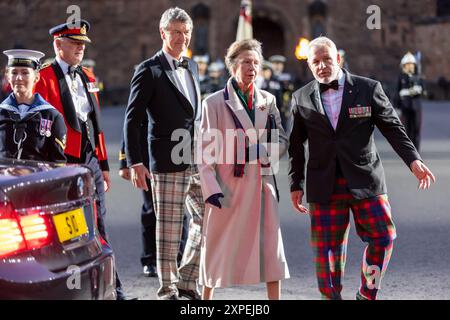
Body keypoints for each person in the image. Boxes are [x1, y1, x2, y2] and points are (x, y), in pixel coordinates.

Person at [288, 36, 435, 300]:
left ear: (339, 59)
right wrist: (295, 183)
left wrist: (414, 160)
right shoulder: (301, 97)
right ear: (309, 65)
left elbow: (393, 127)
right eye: (315, 62)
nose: (322, 66)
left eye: (327, 60)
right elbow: (295, 146)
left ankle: (367, 293)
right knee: (327, 251)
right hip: (324, 184)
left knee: (384, 237)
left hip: (366, 178)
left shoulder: (368, 88)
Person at [34, 19, 132, 300]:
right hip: (62, 162)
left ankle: (114, 290)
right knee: (64, 228)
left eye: (82, 44)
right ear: (57, 44)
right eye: (74, 43)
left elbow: (95, 126)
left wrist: (103, 165)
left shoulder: (88, 77)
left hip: (89, 161)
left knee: (99, 223)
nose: (80, 48)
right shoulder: (44, 78)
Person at [198, 39, 290, 300]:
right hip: (226, 186)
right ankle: (206, 300)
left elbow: (281, 139)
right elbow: (204, 152)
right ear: (233, 66)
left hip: (261, 184)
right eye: (246, 62)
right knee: (216, 245)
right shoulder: (213, 103)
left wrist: (263, 151)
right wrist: (210, 188)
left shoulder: (268, 100)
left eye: (256, 62)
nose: (252, 67)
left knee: (271, 249)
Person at [124, 7, 204, 300]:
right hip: (165, 160)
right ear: (163, 33)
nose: (182, 38)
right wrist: (135, 161)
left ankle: (186, 278)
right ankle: (167, 288)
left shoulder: (193, 66)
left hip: (195, 158)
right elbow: (132, 118)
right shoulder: (148, 69)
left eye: (186, 32)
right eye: (176, 32)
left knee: (209, 219)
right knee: (169, 231)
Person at [118, 119, 190, 277]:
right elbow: (132, 119)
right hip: (148, 154)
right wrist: (125, 160)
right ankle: (149, 259)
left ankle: (179, 258)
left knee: (179, 207)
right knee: (151, 207)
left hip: (179, 149)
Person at [0, 49, 66, 163]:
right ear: (8, 77)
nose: (19, 78)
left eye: (25, 72)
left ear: (36, 77)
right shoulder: (1, 112)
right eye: (14, 72)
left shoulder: (52, 116)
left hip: (37, 179)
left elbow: (57, 163)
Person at [396, 52, 425, 151]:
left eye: (411, 64)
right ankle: (410, 151)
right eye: (407, 64)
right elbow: (397, 93)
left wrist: (419, 89)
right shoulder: (401, 78)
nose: (409, 66)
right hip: (405, 107)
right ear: (403, 66)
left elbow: (424, 92)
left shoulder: (419, 77)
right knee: (407, 130)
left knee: (416, 129)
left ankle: (417, 150)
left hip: (416, 107)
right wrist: (397, 107)